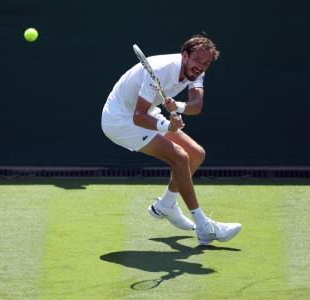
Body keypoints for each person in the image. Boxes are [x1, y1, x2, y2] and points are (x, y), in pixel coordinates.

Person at [101, 35, 241, 245]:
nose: (201, 67)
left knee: (196, 154)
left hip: (144, 112)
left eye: (206, 64)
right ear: (185, 55)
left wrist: (178, 106)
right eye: (198, 61)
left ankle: (165, 205)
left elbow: (196, 105)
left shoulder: (197, 72)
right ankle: (204, 227)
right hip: (120, 120)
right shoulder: (161, 69)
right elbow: (138, 117)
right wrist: (167, 126)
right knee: (180, 157)